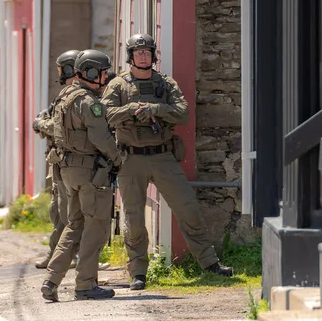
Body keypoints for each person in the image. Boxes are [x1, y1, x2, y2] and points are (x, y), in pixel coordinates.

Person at [101, 33, 234, 291]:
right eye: (138, 52)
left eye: (147, 52)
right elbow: (106, 114)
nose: (143, 56)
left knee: (188, 207)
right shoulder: (118, 85)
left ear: (153, 55)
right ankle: (138, 272)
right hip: (130, 159)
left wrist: (155, 109)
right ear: (130, 56)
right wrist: (131, 110)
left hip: (162, 156)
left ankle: (209, 263)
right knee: (134, 218)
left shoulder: (165, 83)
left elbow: (183, 113)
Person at [41, 49, 123, 302]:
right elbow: (101, 138)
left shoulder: (65, 95)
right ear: (89, 72)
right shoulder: (89, 102)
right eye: (102, 72)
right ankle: (86, 284)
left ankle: (51, 280)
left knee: (73, 225)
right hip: (91, 172)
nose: (106, 76)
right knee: (95, 228)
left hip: (68, 171)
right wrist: (118, 159)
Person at [33, 50, 80, 269]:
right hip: (58, 161)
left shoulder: (79, 94)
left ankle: (75, 256)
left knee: (70, 212)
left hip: (73, 161)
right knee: (57, 212)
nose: (59, 73)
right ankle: (56, 253)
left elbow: (59, 126)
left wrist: (41, 124)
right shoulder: (65, 93)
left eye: (62, 69)